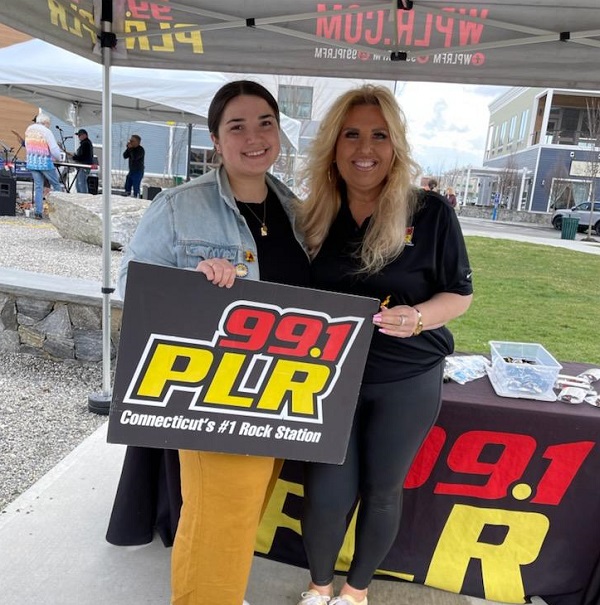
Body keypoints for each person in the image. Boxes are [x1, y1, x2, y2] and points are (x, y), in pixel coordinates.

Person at [113, 80, 310, 605]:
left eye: (265, 123)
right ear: (216, 140)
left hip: (281, 392)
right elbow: (133, 289)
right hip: (213, 392)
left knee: (243, 510)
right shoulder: (180, 207)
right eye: (237, 126)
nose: (254, 137)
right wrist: (192, 285)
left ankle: (215, 590)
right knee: (219, 513)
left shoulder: (298, 211)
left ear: (279, 133)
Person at [295, 85, 473, 605]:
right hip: (329, 375)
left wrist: (417, 317)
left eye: (379, 135)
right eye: (351, 134)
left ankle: (355, 592)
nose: (363, 148)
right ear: (333, 143)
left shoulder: (431, 211)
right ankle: (318, 587)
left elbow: (459, 295)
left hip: (407, 378)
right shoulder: (312, 213)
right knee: (327, 491)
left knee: (381, 490)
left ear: (396, 145)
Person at [24, 112, 63, 219]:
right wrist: (59, 158)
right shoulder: (46, 131)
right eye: (48, 124)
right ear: (45, 122)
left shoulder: (29, 129)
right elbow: (54, 148)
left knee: (38, 187)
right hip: (44, 163)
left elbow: (27, 145)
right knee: (56, 185)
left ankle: (38, 212)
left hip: (32, 162)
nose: (48, 126)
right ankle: (59, 211)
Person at [70, 128, 94, 193]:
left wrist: (74, 157)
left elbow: (83, 156)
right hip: (83, 166)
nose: (78, 137)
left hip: (84, 166)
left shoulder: (85, 144)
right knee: (78, 184)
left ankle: (84, 198)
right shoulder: (86, 143)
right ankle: (80, 197)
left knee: (81, 184)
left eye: (80, 135)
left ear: (85, 135)